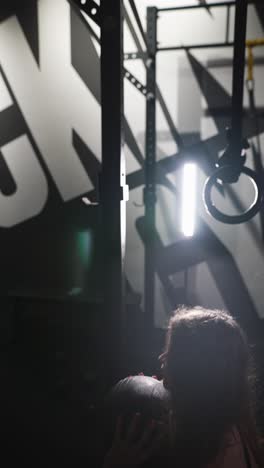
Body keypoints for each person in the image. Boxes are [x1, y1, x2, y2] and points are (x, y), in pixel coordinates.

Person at [103, 307, 263, 467]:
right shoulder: (234, 430)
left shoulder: (208, 454)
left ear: (191, 369)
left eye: (171, 351)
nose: (162, 357)